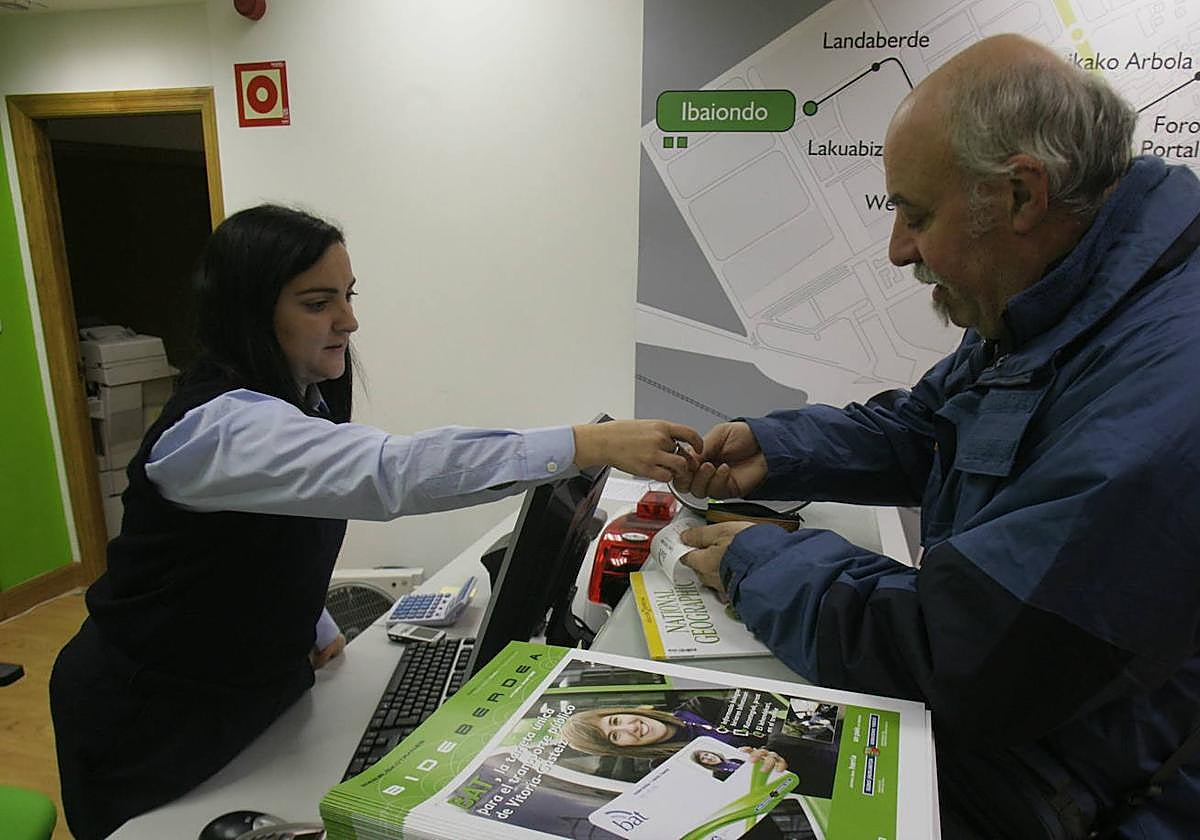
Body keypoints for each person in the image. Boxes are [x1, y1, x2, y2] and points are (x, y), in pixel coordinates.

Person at [674, 34, 1200, 840]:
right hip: (1034, 741)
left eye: (916, 215)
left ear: (1022, 195)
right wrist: (779, 447)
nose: (897, 249)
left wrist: (761, 559)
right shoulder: (1065, 295)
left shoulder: (1168, 384)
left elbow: (969, 651)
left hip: (1078, 790)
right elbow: (933, 425)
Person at [48, 204, 704, 840]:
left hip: (247, 691)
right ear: (249, 311)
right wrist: (585, 446)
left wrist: (310, 619)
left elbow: (257, 539)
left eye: (349, 295)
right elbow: (388, 473)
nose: (348, 321)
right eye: (317, 303)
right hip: (148, 715)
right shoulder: (215, 429)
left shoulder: (294, 404)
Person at [561, 693, 838, 796]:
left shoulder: (699, 706)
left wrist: (830, 709)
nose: (631, 727)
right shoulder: (664, 769)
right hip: (816, 785)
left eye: (616, 721)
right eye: (616, 736)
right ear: (618, 749)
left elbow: (790, 718)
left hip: (834, 746)